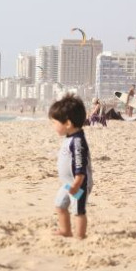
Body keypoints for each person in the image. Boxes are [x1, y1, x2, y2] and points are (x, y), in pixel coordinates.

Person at [49, 94, 93, 239]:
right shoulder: (70, 137)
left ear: (67, 124)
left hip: (78, 184)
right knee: (60, 205)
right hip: (67, 184)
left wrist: (77, 184)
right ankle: (65, 230)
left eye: (54, 123)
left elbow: (80, 166)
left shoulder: (78, 142)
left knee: (78, 211)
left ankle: (80, 236)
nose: (53, 126)